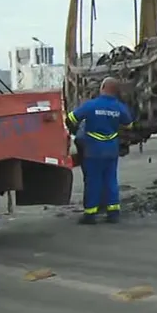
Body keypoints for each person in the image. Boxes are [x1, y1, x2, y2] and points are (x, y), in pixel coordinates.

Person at [65, 77, 133, 224]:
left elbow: (70, 119)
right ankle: (113, 213)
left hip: (93, 150)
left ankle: (90, 214)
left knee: (93, 181)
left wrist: (76, 132)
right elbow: (129, 125)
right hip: (111, 149)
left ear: (102, 87)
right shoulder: (119, 107)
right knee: (111, 179)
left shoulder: (91, 105)